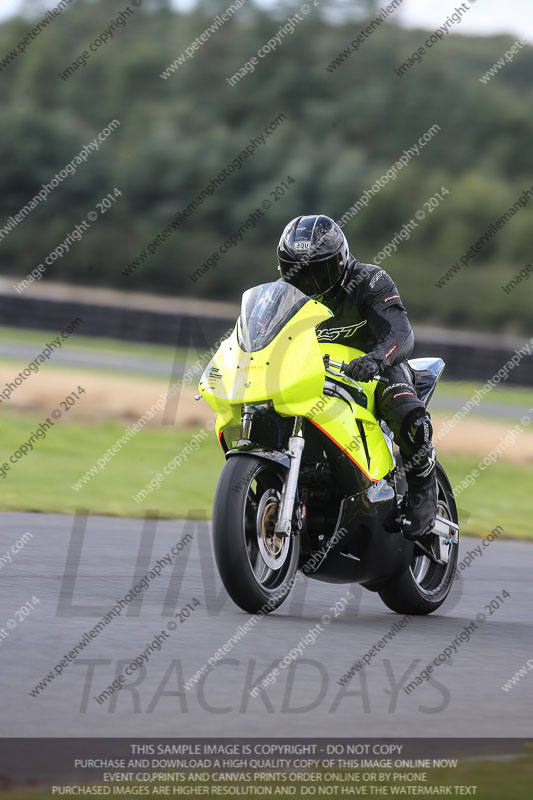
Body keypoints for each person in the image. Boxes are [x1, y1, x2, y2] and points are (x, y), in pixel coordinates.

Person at [277, 214, 437, 541]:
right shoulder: (281, 296)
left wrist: (376, 359)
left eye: (316, 270)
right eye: (297, 270)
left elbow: (400, 331)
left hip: (373, 370)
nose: (307, 281)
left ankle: (423, 487)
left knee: (403, 406)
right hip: (312, 376)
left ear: (339, 262)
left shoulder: (369, 280)